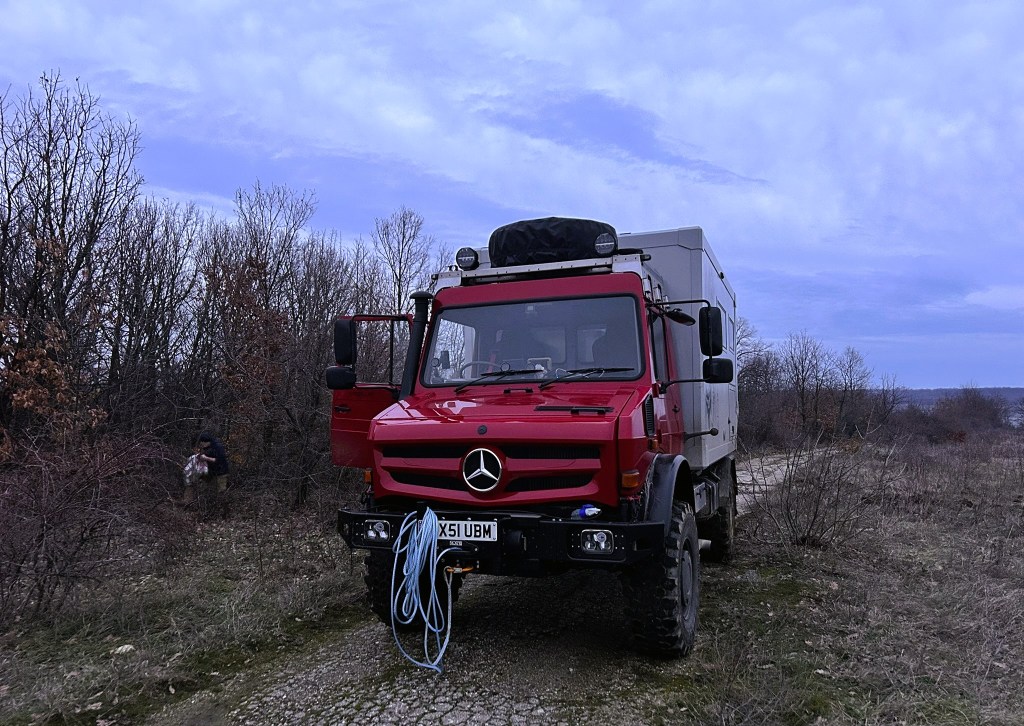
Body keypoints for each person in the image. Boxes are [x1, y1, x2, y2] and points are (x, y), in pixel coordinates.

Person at [195, 432, 231, 518]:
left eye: (202, 443)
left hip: (221, 472)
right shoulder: (208, 448)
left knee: (222, 492)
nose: (202, 446)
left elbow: (219, 460)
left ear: (205, 442)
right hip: (211, 472)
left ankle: (224, 514)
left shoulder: (218, 447)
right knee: (202, 487)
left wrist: (206, 458)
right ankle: (203, 509)